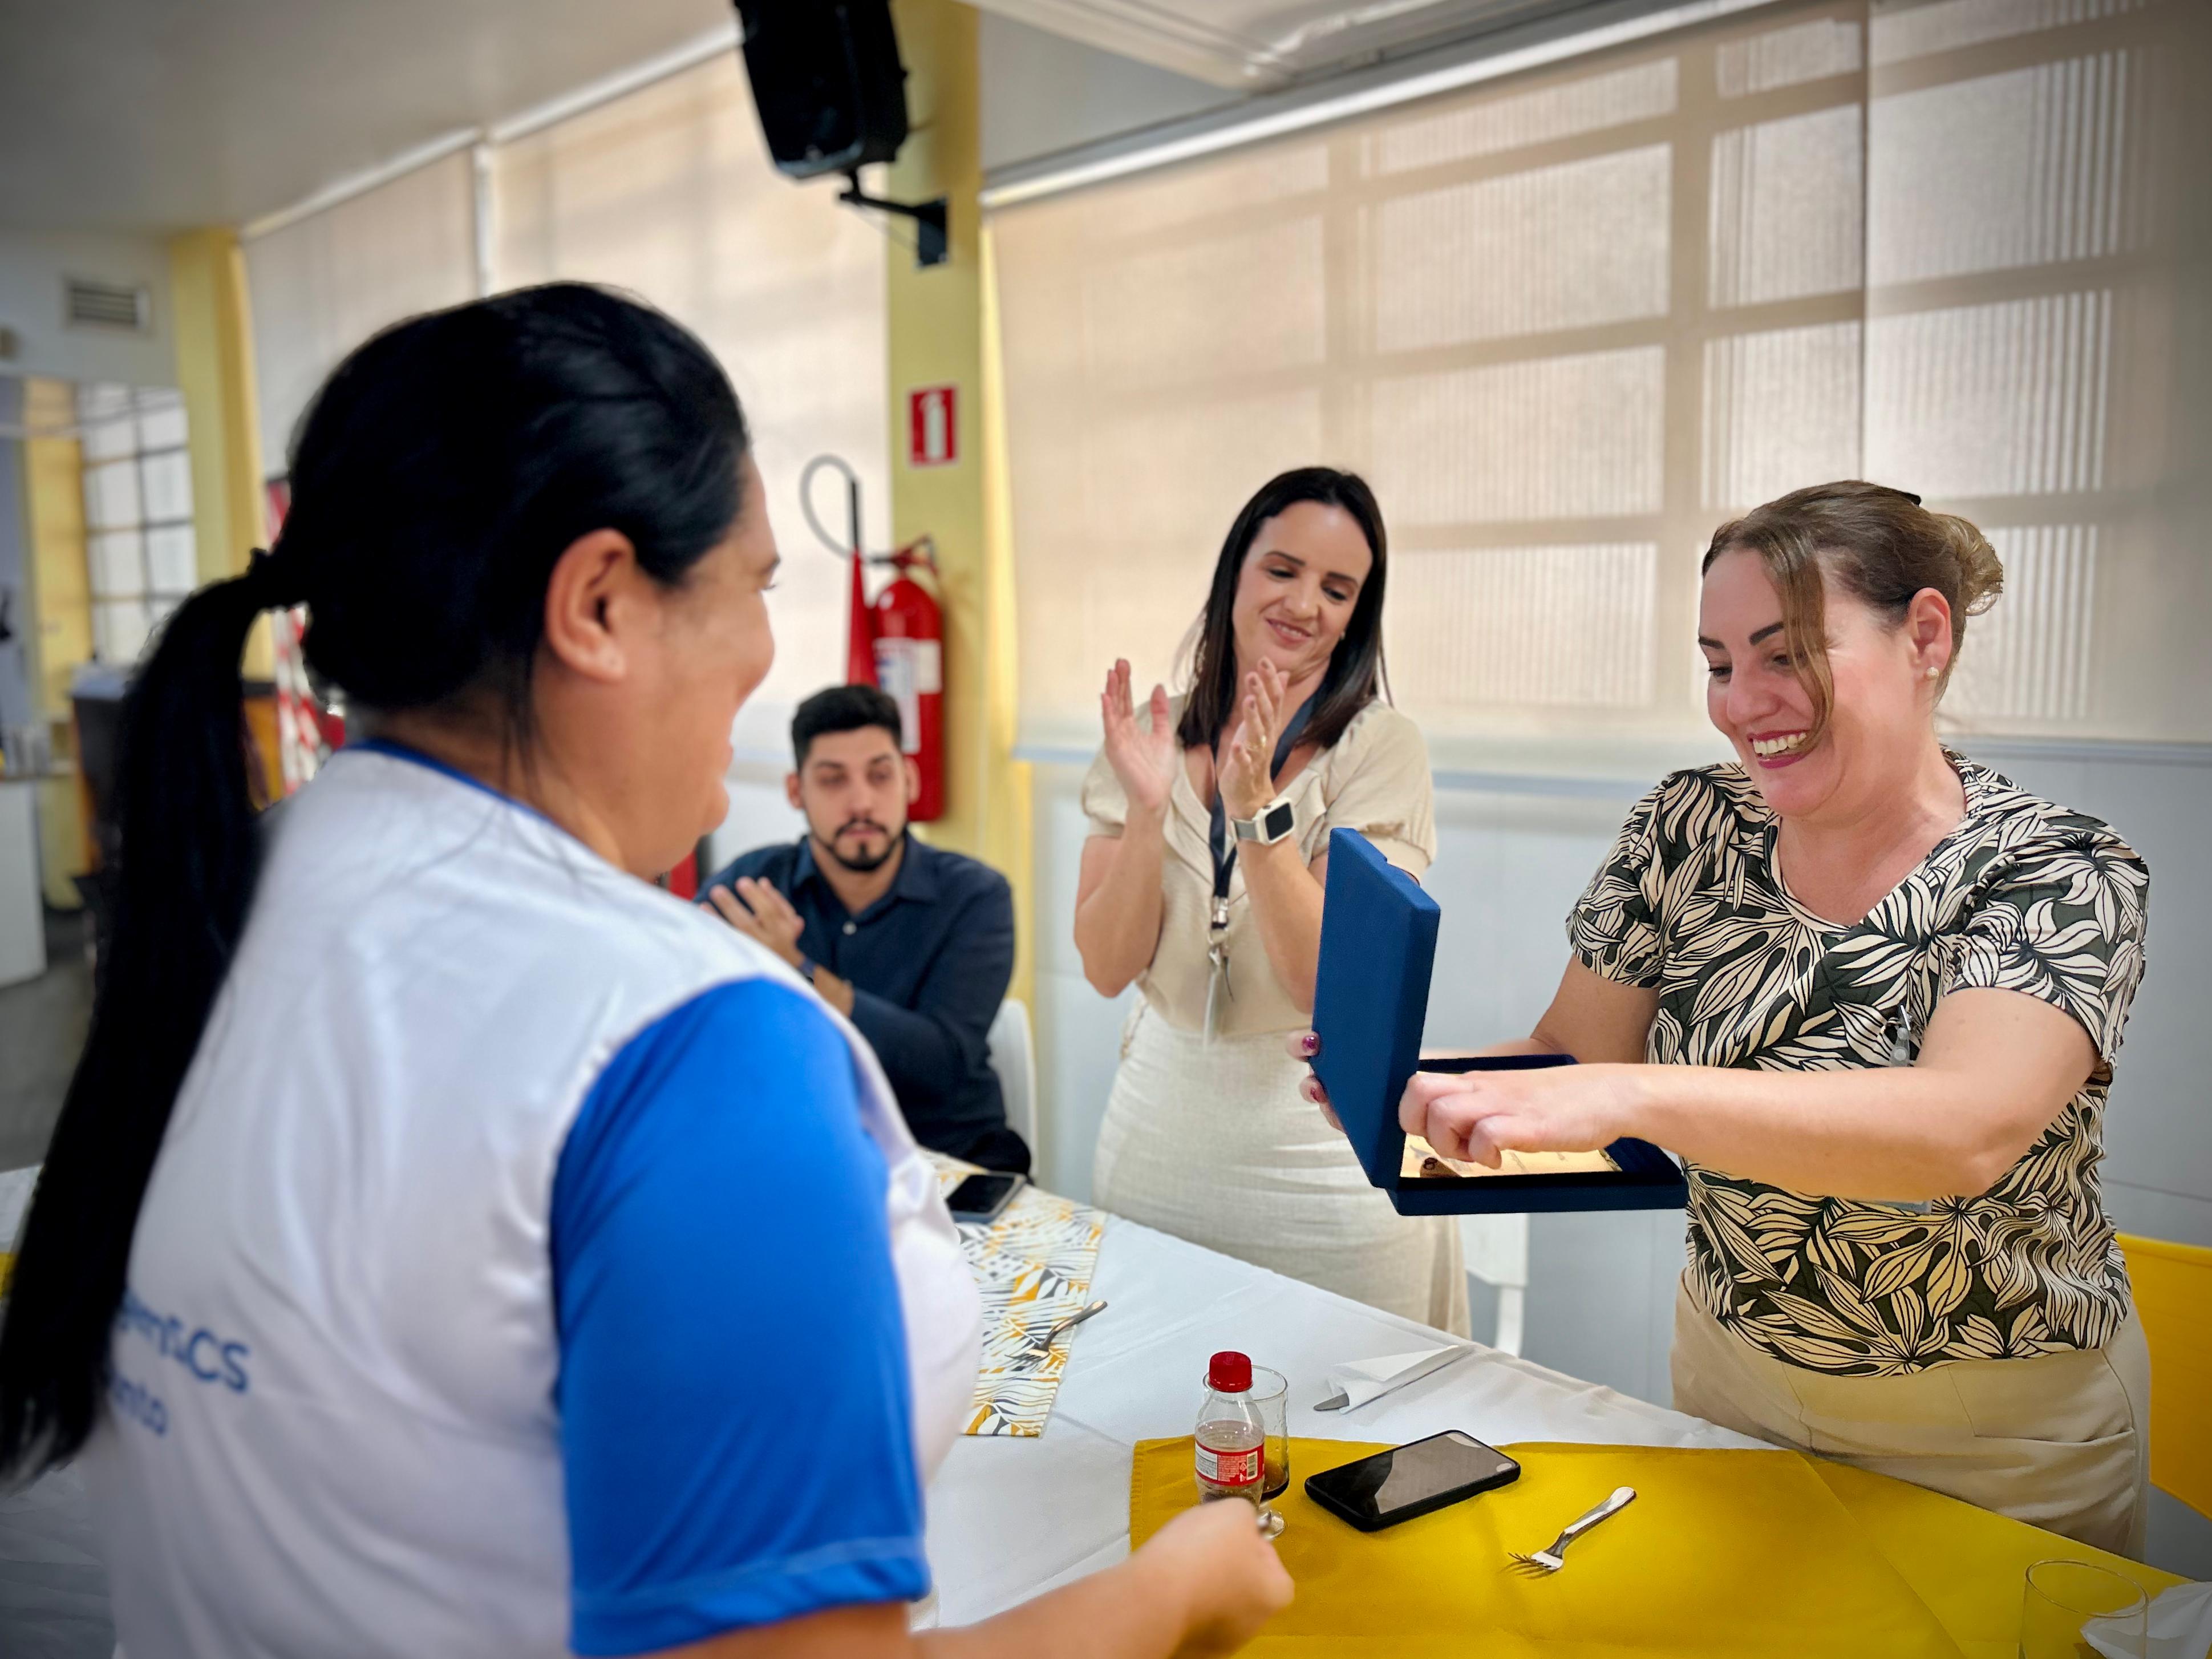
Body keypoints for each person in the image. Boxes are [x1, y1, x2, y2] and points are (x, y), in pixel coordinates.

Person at [0, 285, 1290, 1658]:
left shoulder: (230, 894)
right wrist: (1176, 1585)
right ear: (600, 603)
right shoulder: (686, 1042)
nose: (765, 649)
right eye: (757, 583)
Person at [1302, 481, 2153, 1554]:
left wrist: (1630, 1093)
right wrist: (1422, 1090)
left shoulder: (2056, 868)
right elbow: (1572, 1056)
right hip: (1731, 1378)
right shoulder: (1688, 823)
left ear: (1924, 636)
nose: (1743, 703)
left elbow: (1958, 1131)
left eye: (1783, 653)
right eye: (1716, 664)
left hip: (1995, 1434)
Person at [1074, 467, 1464, 1334]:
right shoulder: (1149, 733)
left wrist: (1256, 812)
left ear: (1357, 614)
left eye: (1337, 589)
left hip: (1320, 1165)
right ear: (1235, 573)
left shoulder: (1380, 750)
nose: (1304, 604)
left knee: (1347, 1408)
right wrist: (1148, 813)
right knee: (1150, 1396)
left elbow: (1320, 982)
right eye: (1282, 570)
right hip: (1158, 1142)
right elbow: (1104, 967)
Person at [701, 684, 1025, 1173]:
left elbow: (941, 1065)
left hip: (950, 1161)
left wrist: (797, 971)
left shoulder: (975, 896)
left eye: (880, 776)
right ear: (796, 791)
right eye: (833, 781)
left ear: (909, 780)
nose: (861, 803)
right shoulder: (751, 890)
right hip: (798, 1154)